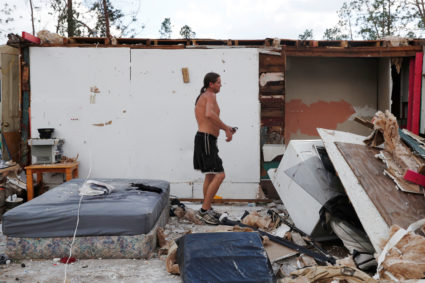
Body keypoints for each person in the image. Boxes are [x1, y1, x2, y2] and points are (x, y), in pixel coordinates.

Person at [193, 72, 236, 225]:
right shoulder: (210, 95)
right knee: (220, 175)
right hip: (206, 139)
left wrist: (227, 127)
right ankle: (203, 211)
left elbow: (209, 117)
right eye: (218, 82)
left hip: (206, 139)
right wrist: (225, 129)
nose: (220, 85)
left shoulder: (204, 95)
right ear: (211, 84)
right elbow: (209, 114)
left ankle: (207, 208)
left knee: (210, 175)